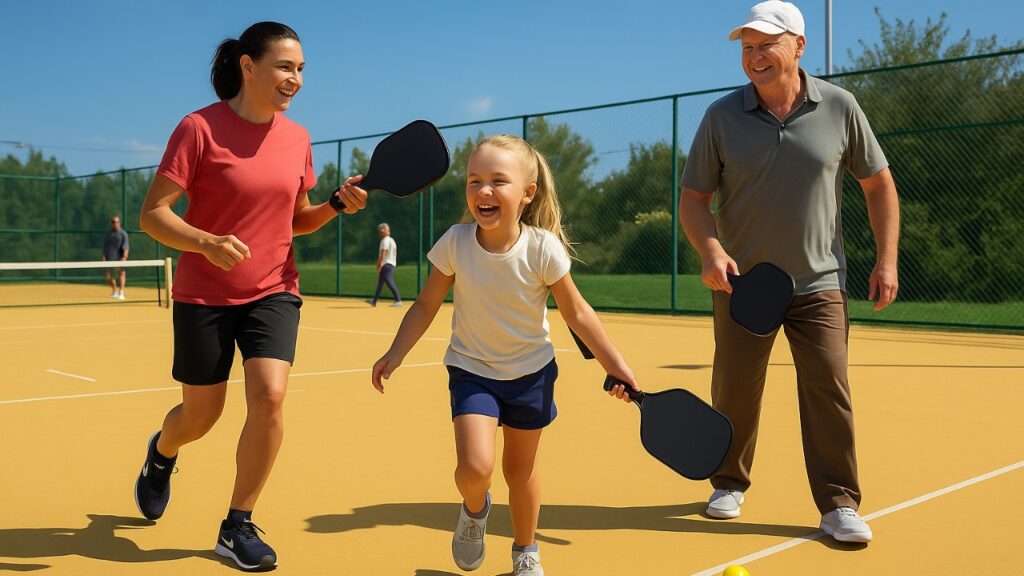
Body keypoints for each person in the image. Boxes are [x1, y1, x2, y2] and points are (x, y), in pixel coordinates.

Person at [135, 22, 368, 571]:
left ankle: (237, 524)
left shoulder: (298, 138)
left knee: (269, 395)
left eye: (302, 70)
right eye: (286, 67)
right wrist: (205, 242)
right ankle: (162, 452)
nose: (296, 79)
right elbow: (153, 215)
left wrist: (335, 205)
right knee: (201, 415)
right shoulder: (198, 129)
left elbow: (295, 222)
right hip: (203, 294)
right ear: (248, 66)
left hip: (274, 289)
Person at [679, 0, 900, 544]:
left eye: (766, 45)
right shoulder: (721, 116)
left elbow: (879, 185)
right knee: (734, 389)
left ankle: (838, 504)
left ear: (798, 46)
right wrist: (709, 251)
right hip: (743, 284)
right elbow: (693, 199)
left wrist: (887, 258)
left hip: (820, 282)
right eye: (747, 48)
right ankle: (728, 482)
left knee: (829, 387)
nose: (754, 57)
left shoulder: (841, 107)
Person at [371, 135, 638, 576]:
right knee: (474, 469)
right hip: (472, 370)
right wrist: (396, 352)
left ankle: (525, 550)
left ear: (527, 193)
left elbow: (577, 312)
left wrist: (616, 365)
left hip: (531, 374)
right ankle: (475, 511)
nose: (484, 191)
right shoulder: (455, 242)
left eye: (498, 180)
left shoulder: (542, 248)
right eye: (474, 181)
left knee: (520, 471)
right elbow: (425, 305)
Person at [369, 222, 402, 307]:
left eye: (380, 231)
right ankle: (374, 301)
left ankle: (398, 300)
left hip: (386, 264)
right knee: (381, 283)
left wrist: (380, 265)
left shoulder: (384, 241)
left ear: (383, 231)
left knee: (389, 281)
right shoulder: (392, 240)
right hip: (391, 264)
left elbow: (383, 253)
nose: (379, 233)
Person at [102, 215, 130, 300]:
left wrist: (124, 257)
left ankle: (121, 292)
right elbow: (105, 247)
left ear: (119, 223)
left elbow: (126, 247)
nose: (115, 223)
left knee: (121, 275)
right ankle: (114, 290)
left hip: (119, 259)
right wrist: (104, 257)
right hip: (109, 258)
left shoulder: (123, 234)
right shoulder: (109, 234)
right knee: (107, 276)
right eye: (113, 222)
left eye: (116, 222)